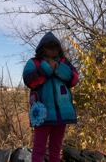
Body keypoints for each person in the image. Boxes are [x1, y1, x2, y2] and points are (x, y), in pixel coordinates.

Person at [22, 32, 79, 162]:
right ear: (42, 48)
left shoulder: (64, 62)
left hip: (62, 113)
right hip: (43, 113)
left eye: (55, 46)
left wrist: (58, 68)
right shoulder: (33, 63)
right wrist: (47, 68)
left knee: (56, 149)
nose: (52, 49)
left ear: (59, 48)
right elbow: (29, 81)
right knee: (39, 148)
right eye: (49, 46)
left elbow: (74, 79)